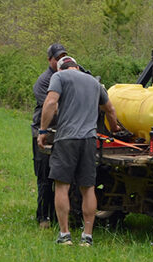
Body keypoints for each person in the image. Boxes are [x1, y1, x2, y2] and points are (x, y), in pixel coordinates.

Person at [37, 56, 120, 245]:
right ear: (76, 66)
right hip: (89, 141)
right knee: (88, 188)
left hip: (67, 139)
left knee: (62, 186)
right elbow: (110, 109)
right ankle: (87, 236)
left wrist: (42, 131)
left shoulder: (59, 77)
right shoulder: (94, 82)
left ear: (61, 69)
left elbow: (50, 103)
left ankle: (65, 235)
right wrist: (114, 128)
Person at [31, 43, 67, 228]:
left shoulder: (68, 76)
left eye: (63, 56)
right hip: (43, 133)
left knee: (61, 177)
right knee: (44, 177)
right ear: (49, 60)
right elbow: (51, 107)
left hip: (63, 134)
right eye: (56, 58)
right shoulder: (44, 81)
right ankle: (43, 217)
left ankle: (58, 215)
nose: (60, 60)